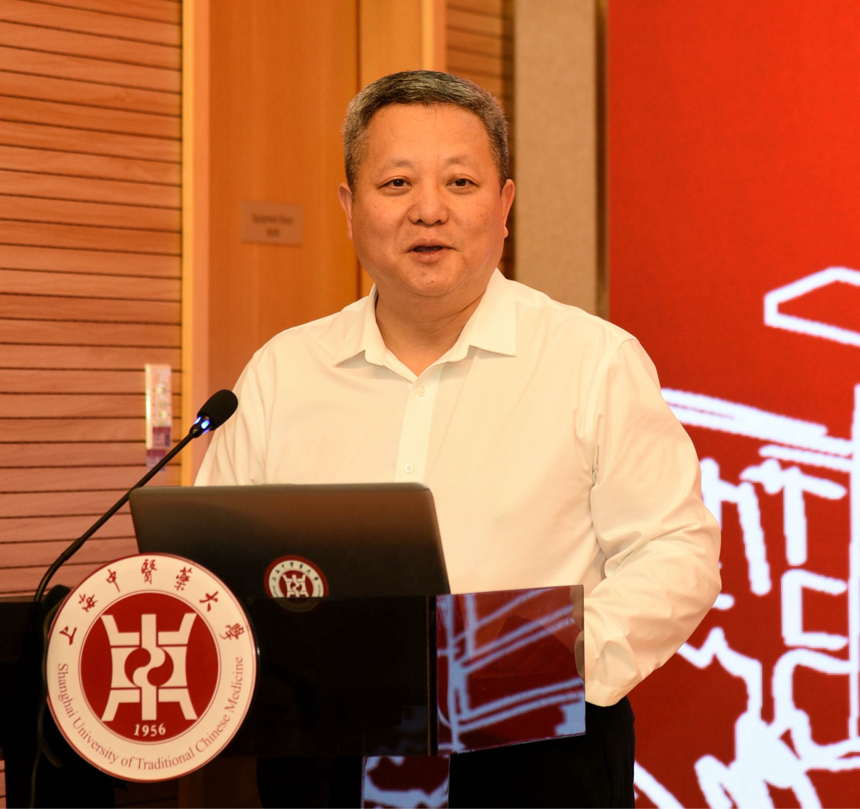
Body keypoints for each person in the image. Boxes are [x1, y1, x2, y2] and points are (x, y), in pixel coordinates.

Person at [196, 70, 721, 808]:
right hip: (324, 757)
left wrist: (550, 663)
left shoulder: (593, 360)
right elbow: (213, 567)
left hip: (534, 750)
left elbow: (676, 551)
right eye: (397, 183)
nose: (429, 210)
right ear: (349, 208)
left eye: (461, 182)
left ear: (503, 206)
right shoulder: (283, 371)